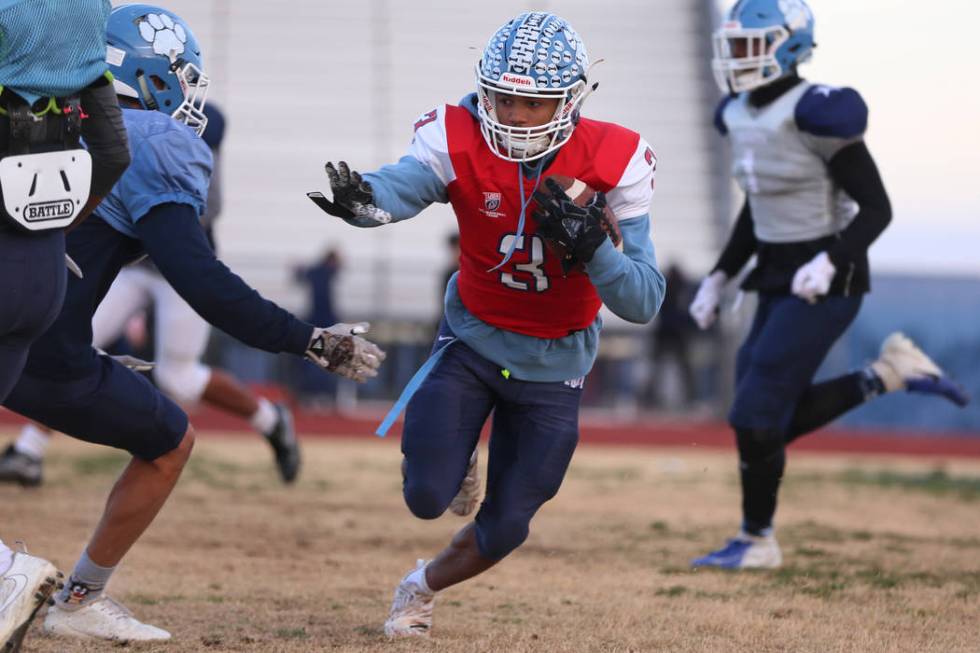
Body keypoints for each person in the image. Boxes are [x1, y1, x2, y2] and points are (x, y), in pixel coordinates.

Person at [0, 4, 383, 643]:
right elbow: (199, 279)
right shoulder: (153, 138)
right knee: (169, 441)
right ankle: (73, 596)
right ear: (159, 78)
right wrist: (308, 339)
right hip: (39, 342)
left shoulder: (37, 104)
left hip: (26, 329)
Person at [308, 11, 664, 637]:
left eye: (532, 103)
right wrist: (366, 202)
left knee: (506, 526)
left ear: (569, 98)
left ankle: (419, 588)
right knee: (425, 496)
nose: (515, 115)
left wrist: (595, 249)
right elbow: (404, 185)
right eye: (502, 97)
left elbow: (643, 301)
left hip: (558, 361)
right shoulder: (458, 135)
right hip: (473, 338)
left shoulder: (616, 156)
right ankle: (456, 452)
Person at [688, 0, 969, 570]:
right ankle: (885, 375)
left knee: (755, 413)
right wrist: (721, 274)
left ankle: (759, 540)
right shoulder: (737, 114)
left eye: (750, 45)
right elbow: (757, 207)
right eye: (734, 45)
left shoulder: (818, 112)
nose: (738, 58)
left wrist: (832, 258)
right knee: (754, 414)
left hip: (827, 280)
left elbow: (877, 208)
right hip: (773, 271)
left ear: (788, 47)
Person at [0, 103, 302, 487]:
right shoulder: (112, 111)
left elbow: (199, 204)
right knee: (61, 341)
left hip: (175, 266)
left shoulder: (182, 131)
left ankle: (271, 419)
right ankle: (29, 451)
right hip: (130, 265)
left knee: (180, 379)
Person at [0, 1, 131, 650]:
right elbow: (111, 152)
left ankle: (6, 574)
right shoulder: (83, 11)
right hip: (42, 266)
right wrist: (54, 225)